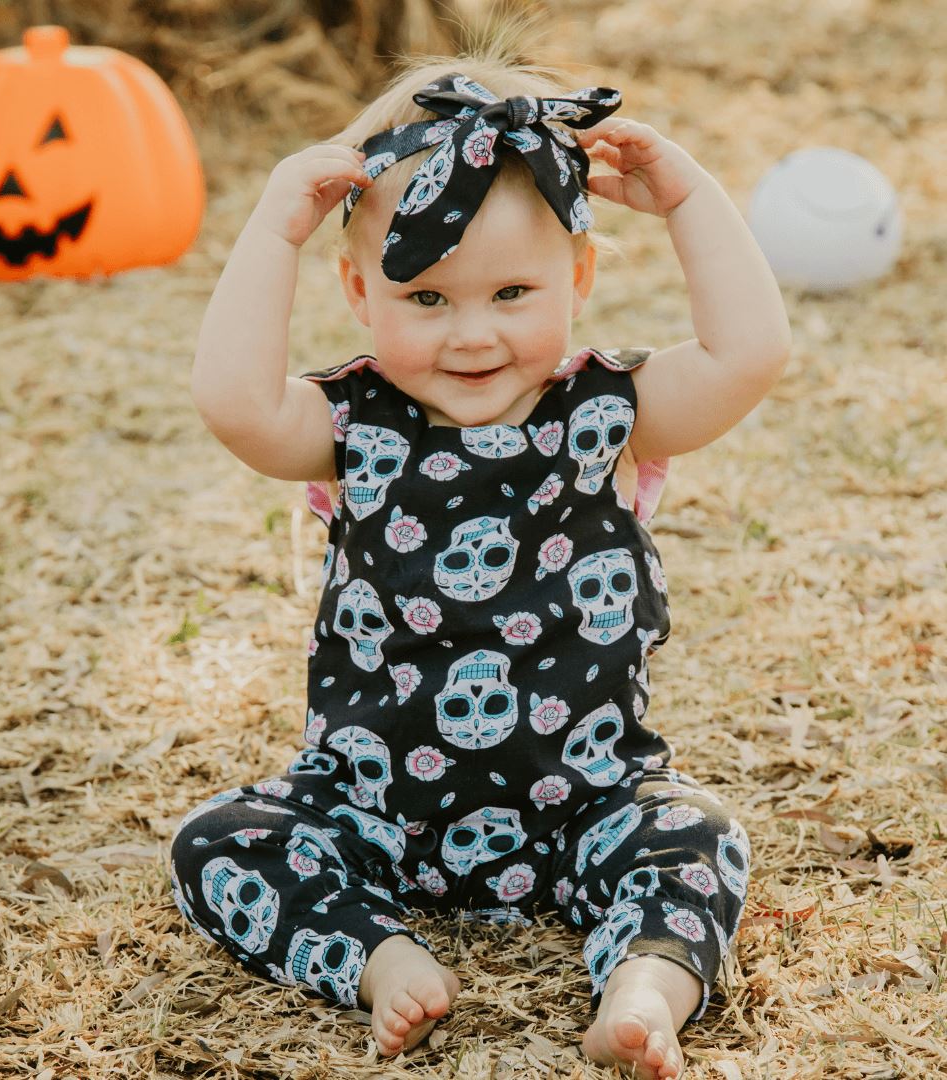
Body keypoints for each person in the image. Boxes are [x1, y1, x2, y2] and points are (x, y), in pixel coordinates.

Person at [170, 23, 790, 1080]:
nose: (471, 336)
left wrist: (691, 204)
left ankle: (645, 986)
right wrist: (270, 234)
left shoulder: (607, 411)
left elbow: (750, 354)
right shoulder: (349, 423)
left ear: (578, 277)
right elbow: (233, 405)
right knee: (219, 842)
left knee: (698, 838)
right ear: (361, 294)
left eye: (512, 294)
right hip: (369, 810)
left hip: (587, 804)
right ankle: (378, 956)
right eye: (425, 298)